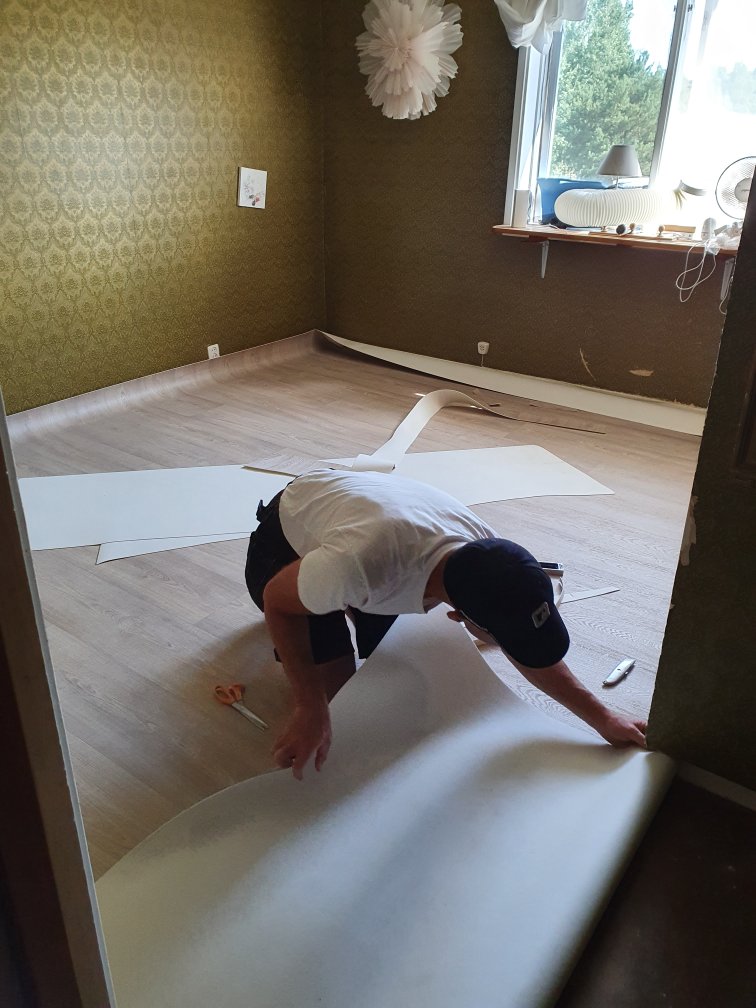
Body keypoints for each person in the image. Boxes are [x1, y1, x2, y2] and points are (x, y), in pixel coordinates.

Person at [245, 468, 647, 780]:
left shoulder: (493, 556)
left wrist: (602, 717)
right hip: (286, 533)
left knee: (387, 663)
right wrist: (310, 706)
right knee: (338, 699)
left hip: (364, 521)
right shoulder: (359, 568)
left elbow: (523, 637)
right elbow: (278, 604)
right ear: (460, 615)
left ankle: (338, 602)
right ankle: (327, 605)